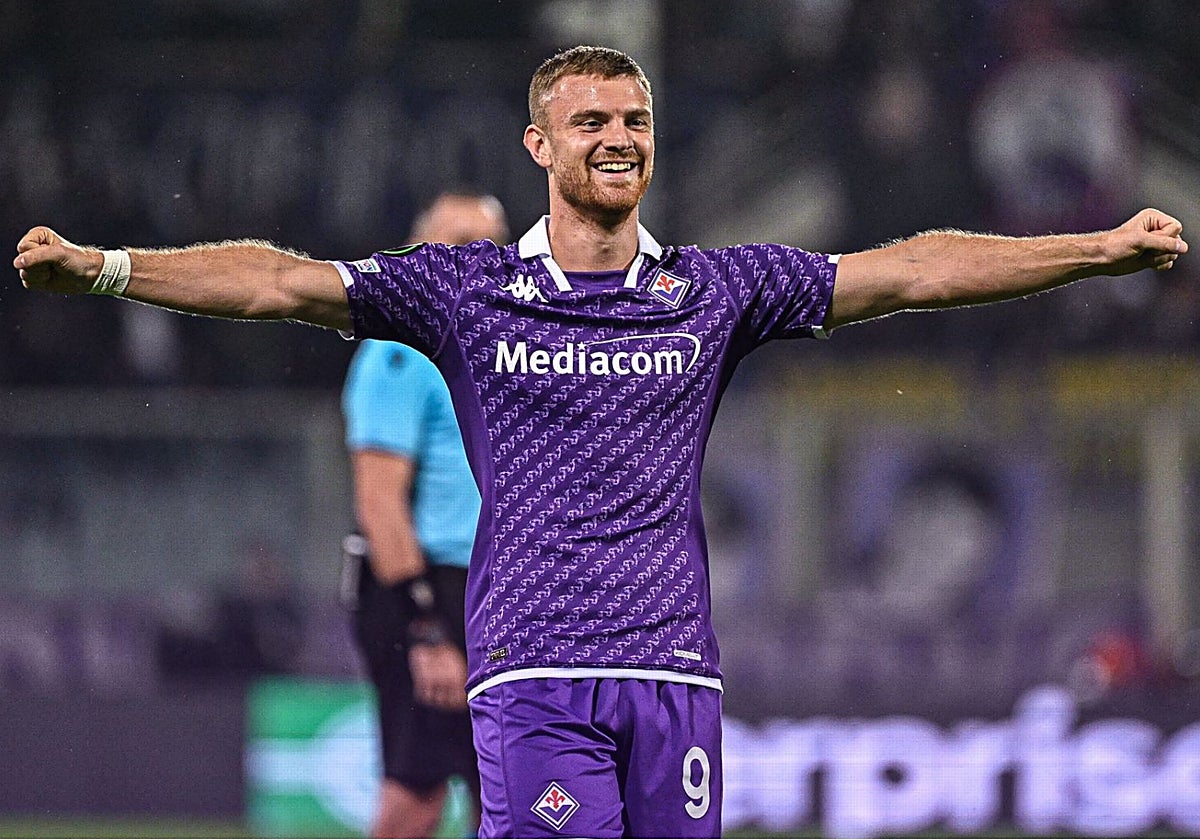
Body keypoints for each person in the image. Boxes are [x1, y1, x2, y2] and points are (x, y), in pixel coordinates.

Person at [12, 45, 1188, 839]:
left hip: (676, 675)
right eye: (590, 123)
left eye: (634, 121)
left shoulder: (715, 291)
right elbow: (278, 281)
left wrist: (1092, 250)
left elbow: (915, 270)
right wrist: (107, 269)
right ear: (540, 146)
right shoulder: (464, 292)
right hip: (534, 670)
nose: (618, 139)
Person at [341, 189, 508, 838]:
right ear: (420, 253)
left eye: (488, 246)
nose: (473, 259)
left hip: (488, 586)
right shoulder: (400, 353)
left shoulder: (496, 348)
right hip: (427, 586)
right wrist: (427, 628)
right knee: (419, 791)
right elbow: (379, 503)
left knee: (503, 788)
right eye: (456, 244)